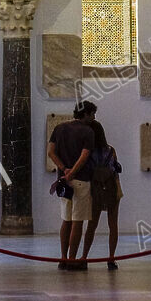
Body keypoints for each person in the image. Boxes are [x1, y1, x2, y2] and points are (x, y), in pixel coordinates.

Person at [47, 101, 96, 270]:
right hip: (81, 180)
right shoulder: (88, 131)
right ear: (86, 114)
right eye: (92, 114)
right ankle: (73, 260)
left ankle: (62, 258)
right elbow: (84, 156)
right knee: (77, 221)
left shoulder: (59, 128)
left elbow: (51, 152)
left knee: (66, 220)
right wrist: (73, 171)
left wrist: (64, 170)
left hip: (64, 181)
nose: (94, 118)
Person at [81, 117, 123, 270]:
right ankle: (111, 258)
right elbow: (116, 169)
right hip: (111, 187)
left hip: (95, 189)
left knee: (92, 225)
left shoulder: (88, 152)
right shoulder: (111, 150)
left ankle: (84, 256)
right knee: (113, 225)